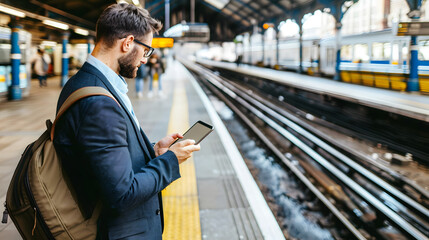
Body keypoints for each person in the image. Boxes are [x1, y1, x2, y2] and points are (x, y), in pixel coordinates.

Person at [53, 3, 200, 239]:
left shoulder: (85, 82)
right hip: (116, 231)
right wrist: (171, 160)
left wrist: (154, 151)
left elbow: (105, 160)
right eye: (146, 50)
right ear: (128, 43)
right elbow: (122, 194)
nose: (145, 58)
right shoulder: (98, 103)